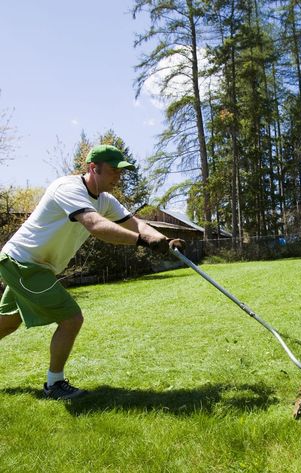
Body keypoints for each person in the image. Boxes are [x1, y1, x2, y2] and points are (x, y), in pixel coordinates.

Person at [0, 144, 185, 400]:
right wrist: (144, 242)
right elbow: (95, 225)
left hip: (33, 265)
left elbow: (137, 223)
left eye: (121, 172)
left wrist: (164, 239)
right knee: (71, 318)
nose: (117, 177)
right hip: (23, 262)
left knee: (8, 322)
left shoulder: (105, 200)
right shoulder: (68, 188)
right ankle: (54, 385)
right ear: (93, 168)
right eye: (113, 171)